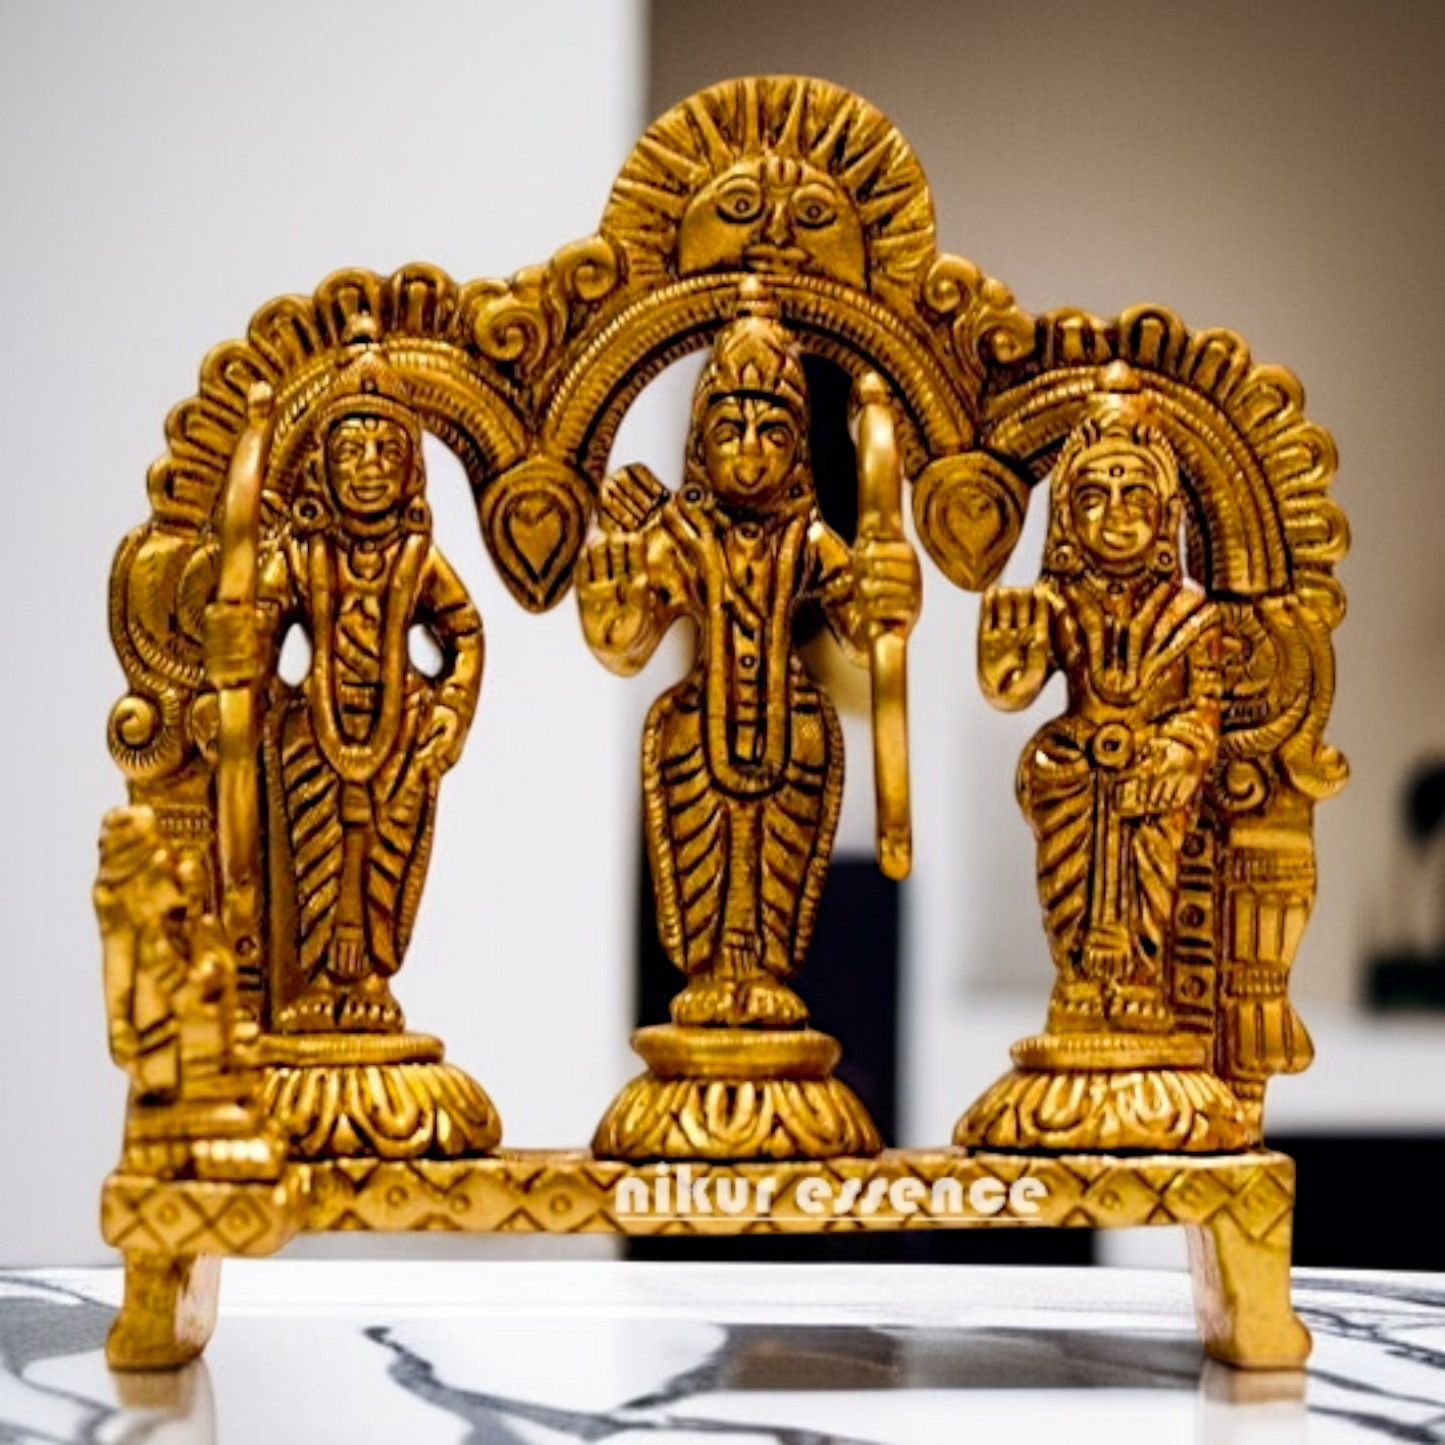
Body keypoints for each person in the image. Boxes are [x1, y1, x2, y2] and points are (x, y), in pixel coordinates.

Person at [577, 281, 918, 1028]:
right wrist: (611, 585)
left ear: (801, 448)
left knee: (782, 857)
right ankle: (714, 975)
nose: (751, 452)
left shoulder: (810, 541)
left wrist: (891, 587)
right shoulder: (678, 535)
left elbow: (866, 632)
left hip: (794, 741)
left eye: (773, 432)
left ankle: (760, 972)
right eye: (730, 428)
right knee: (696, 857)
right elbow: (625, 640)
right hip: (695, 739)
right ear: (699, 438)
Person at [979, 364, 1221, 1033]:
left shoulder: (1190, 612)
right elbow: (1013, 690)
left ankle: (1138, 978)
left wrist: (1182, 747)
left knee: (1150, 842)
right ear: (1064, 514)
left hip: (1151, 768)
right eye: (1093, 495)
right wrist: (1005, 662)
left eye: (1133, 494)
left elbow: (1203, 706)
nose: (1115, 514)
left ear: (1165, 511)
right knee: (1057, 774)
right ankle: (1080, 979)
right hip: (1074, 765)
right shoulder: (1056, 600)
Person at [258, 323, 483, 1032]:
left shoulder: (418, 560)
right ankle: (320, 978)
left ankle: (369, 978)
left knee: (387, 859)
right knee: (314, 858)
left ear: (411, 467)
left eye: (388, 450)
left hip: (400, 738)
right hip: (314, 739)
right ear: (322, 466)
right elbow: (261, 625)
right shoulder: (304, 555)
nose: (370, 468)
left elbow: (466, 632)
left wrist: (450, 709)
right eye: (351, 451)